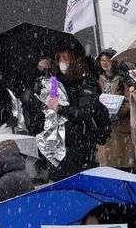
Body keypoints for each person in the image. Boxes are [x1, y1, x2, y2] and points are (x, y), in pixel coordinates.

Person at [44, 41, 110, 181]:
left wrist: (60, 108)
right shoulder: (57, 81)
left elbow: (85, 112)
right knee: (60, 181)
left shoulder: (86, 82)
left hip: (81, 142)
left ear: (73, 61)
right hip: (61, 143)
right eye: (59, 60)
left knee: (79, 180)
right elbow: (52, 101)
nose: (62, 64)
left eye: (65, 60)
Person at [96, 48, 136, 171]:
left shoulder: (124, 79)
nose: (105, 63)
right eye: (102, 60)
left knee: (123, 165)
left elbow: (129, 100)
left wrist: (118, 113)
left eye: (108, 60)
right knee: (108, 167)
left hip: (121, 127)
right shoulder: (97, 78)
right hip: (105, 127)